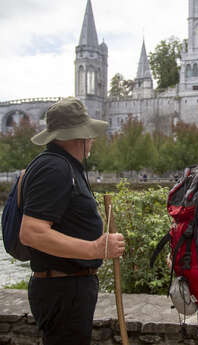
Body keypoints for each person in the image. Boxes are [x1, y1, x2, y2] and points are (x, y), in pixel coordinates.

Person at [19, 97, 126, 345]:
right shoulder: (54, 168)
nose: (93, 140)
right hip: (62, 290)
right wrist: (95, 249)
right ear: (79, 137)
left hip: (68, 288)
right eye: (89, 133)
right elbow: (32, 232)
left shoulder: (64, 166)